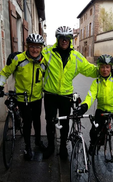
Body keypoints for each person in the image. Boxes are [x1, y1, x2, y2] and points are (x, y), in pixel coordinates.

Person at [73, 54, 113, 175]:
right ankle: (93, 144)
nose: (105, 70)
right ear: (98, 67)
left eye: (107, 67)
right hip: (101, 110)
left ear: (111, 67)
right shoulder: (97, 82)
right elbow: (91, 96)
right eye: (102, 67)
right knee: (94, 131)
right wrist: (84, 106)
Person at [41, 26, 99, 159]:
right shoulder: (48, 52)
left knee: (65, 124)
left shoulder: (76, 57)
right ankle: (51, 146)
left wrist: (104, 70)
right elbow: (34, 56)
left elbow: (89, 69)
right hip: (50, 94)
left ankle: (62, 148)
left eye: (67, 38)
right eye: (62, 38)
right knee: (50, 121)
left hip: (66, 96)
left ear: (70, 40)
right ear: (58, 39)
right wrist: (17, 56)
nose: (64, 40)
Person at [0, 33, 47, 160]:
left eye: (38, 47)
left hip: (37, 97)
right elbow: (5, 72)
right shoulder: (19, 59)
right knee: (27, 123)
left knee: (37, 121)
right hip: (23, 99)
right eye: (32, 46)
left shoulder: (44, 60)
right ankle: (28, 147)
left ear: (41, 48)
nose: (35, 49)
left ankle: (38, 141)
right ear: (27, 47)